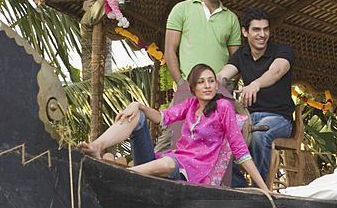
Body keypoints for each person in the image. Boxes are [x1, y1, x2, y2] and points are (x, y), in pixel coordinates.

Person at [79, 63, 269, 192]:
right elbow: (161, 118)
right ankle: (96, 146)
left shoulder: (223, 107)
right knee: (138, 116)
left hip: (191, 171)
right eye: (201, 82)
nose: (208, 86)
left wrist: (263, 188)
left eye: (211, 81)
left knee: (169, 163)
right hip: (165, 162)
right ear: (193, 88)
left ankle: (120, 175)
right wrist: (138, 105)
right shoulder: (191, 105)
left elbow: (240, 150)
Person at [218, 9, 294, 184]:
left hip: (279, 119)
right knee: (220, 133)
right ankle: (239, 187)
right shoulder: (241, 56)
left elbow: (276, 71)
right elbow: (223, 76)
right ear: (245, 32)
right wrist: (212, 84)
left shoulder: (282, 51)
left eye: (265, 29)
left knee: (259, 135)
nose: (262, 34)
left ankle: (258, 188)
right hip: (248, 118)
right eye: (256, 30)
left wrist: (255, 84)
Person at [164, 0, 240, 98]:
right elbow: (170, 50)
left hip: (219, 91)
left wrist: (227, 88)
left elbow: (237, 59)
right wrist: (181, 84)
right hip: (188, 88)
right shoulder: (181, 9)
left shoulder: (231, 18)